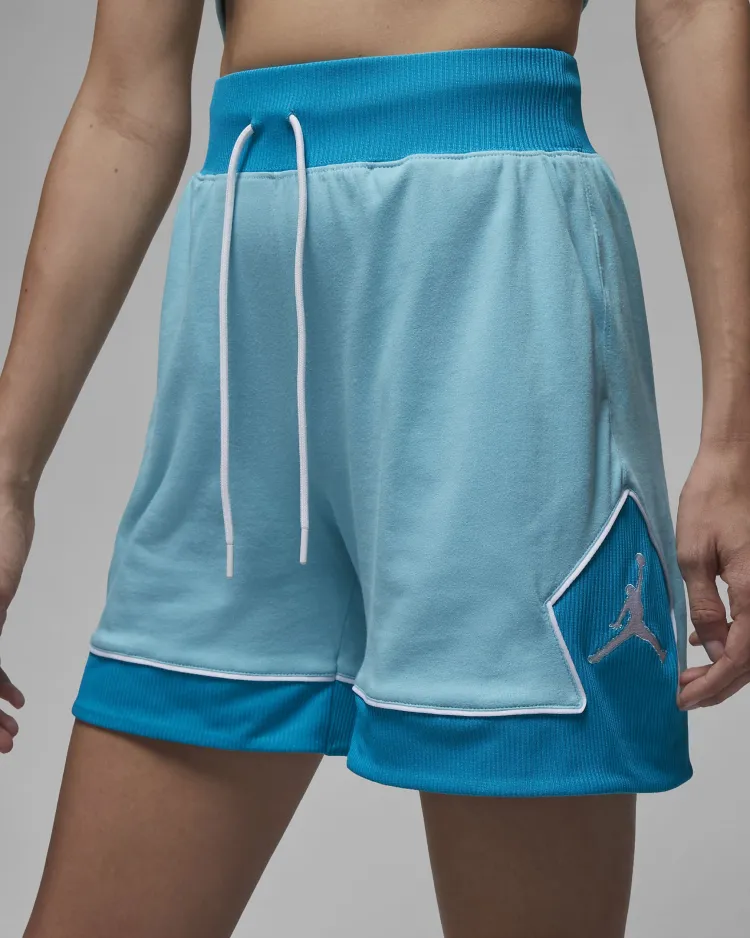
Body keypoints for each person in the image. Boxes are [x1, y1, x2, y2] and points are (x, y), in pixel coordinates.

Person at [1, 0, 749, 935]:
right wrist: (6, 477)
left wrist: (735, 441)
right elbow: (124, 106)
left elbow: (690, 15)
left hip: (497, 289)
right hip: (241, 333)